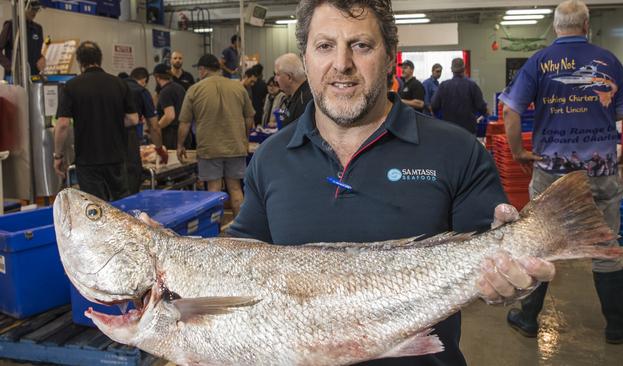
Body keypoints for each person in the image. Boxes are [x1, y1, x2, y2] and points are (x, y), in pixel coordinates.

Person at [227, 1, 555, 365]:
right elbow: (237, 260)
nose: (342, 64)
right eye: (324, 46)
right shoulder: (270, 159)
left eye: (361, 45)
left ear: (389, 57)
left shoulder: (455, 150)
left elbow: (493, 247)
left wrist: (509, 277)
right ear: (306, 58)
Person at [499, 0, 623, 345]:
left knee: (540, 242)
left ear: (555, 26)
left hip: (551, 172)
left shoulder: (539, 62)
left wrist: (518, 152)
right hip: (601, 168)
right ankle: (616, 325)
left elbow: (510, 114)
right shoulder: (608, 60)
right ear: (586, 24)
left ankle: (528, 318)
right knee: (606, 243)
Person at [53, 41, 138, 201]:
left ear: (79, 62)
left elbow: (63, 125)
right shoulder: (119, 83)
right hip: (116, 158)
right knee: (121, 205)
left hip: (87, 161)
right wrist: (111, 122)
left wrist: (58, 156)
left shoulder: (71, 87)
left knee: (95, 209)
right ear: (100, 59)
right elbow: (133, 119)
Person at [177, 54, 254, 217]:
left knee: (213, 190)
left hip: (209, 149)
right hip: (235, 146)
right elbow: (249, 117)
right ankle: (240, 233)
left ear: (203, 70)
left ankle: (214, 230)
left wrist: (180, 145)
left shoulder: (195, 89)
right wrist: (245, 139)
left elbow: (184, 123)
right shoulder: (238, 87)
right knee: (235, 188)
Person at [124, 66, 167, 194]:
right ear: (144, 80)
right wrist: (159, 149)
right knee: (130, 191)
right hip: (128, 144)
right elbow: (154, 126)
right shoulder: (141, 92)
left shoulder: (114, 87)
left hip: (104, 149)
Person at [431, 58, 488, 134]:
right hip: (468, 131)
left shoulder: (443, 86)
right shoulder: (472, 85)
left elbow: (434, 106)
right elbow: (482, 107)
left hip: (449, 130)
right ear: (464, 69)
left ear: (451, 69)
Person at [0, 0, 43, 77]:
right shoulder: (11, 26)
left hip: (33, 77)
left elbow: (36, 52)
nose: (34, 13)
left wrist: (42, 58)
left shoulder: (38, 29)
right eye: (32, 9)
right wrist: (11, 67)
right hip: (14, 77)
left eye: (36, 10)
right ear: (23, 7)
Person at [153, 63, 190, 150]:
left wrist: (156, 128)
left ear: (157, 77)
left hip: (172, 136)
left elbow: (170, 116)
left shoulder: (165, 92)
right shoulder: (179, 88)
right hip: (185, 132)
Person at [274, 52, 313, 126]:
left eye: (278, 74)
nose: (275, 79)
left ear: (289, 77)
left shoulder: (305, 101)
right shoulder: (298, 96)